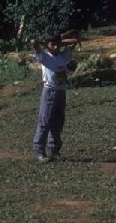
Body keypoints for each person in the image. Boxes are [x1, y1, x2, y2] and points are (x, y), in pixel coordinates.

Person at [31, 32, 76, 162]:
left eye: (58, 45)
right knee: (45, 121)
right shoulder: (45, 57)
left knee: (58, 122)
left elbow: (74, 40)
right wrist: (45, 44)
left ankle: (54, 150)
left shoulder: (64, 56)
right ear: (47, 45)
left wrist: (59, 42)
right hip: (49, 92)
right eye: (52, 44)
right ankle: (39, 151)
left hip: (61, 92)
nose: (55, 47)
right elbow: (33, 42)